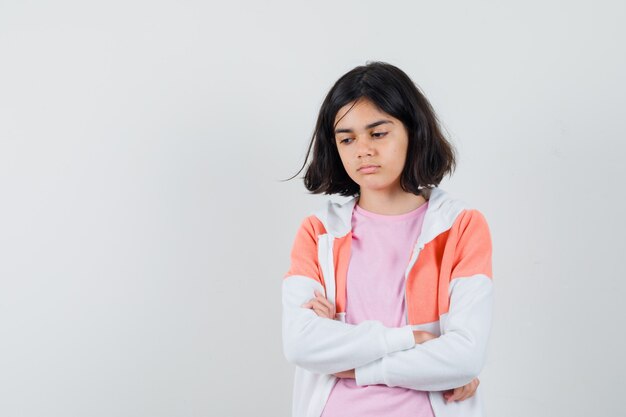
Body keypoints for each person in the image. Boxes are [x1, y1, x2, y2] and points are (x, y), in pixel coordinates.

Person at [282, 61, 493, 417]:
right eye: (347, 138)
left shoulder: (460, 227)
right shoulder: (318, 233)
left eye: (378, 133)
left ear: (413, 131)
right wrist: (414, 340)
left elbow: (464, 357)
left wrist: (352, 362)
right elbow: (301, 345)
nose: (362, 149)